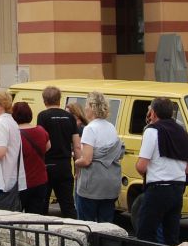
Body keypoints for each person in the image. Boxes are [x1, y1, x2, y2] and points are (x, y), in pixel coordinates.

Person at [136, 98, 188, 245]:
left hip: (158, 188)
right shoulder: (184, 134)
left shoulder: (152, 131)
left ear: (153, 113)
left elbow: (141, 166)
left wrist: (146, 172)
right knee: (171, 237)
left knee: (145, 234)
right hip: (178, 189)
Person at [73, 91, 123, 223]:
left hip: (93, 185)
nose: (85, 109)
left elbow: (87, 159)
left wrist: (76, 161)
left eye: (87, 105)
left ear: (92, 107)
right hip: (110, 183)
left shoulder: (90, 129)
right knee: (106, 223)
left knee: (86, 224)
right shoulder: (111, 127)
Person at [38, 86, 80, 218]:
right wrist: (77, 168)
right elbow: (77, 145)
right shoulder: (70, 117)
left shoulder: (42, 116)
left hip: (47, 165)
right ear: (60, 100)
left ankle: (42, 234)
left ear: (44, 101)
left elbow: (42, 141)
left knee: (43, 204)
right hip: (64, 165)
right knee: (68, 205)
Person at [13, 101, 50, 214]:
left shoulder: (14, 134)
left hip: (22, 181)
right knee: (35, 216)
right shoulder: (41, 130)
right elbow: (48, 147)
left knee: (17, 216)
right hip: (40, 180)